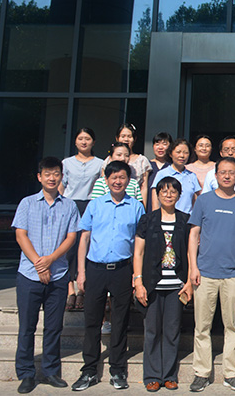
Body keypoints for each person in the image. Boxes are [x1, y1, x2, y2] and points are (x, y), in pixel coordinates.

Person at [72, 160, 145, 391]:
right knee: (92, 321)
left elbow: (140, 244)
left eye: (122, 177)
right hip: (95, 269)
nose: (117, 181)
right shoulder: (95, 205)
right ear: (106, 180)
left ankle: (117, 369)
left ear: (128, 180)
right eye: (113, 177)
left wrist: (137, 275)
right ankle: (89, 370)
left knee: (120, 322)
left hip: (123, 270)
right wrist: (81, 272)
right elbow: (84, 238)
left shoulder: (136, 207)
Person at [187, 157, 235, 392]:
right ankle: (201, 373)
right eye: (223, 172)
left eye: (231, 172)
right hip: (205, 273)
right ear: (215, 175)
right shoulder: (204, 201)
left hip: (234, 274)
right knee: (202, 327)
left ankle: (232, 373)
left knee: (233, 326)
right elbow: (193, 235)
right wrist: (193, 268)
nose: (227, 176)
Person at [12, 157, 80, 394]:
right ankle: (26, 373)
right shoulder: (27, 203)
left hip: (58, 274)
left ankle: (51, 371)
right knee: (27, 327)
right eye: (47, 174)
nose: (52, 178)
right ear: (39, 177)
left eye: (56, 174)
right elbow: (21, 235)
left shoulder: (69, 206)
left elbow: (71, 237)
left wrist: (51, 260)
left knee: (53, 327)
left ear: (62, 177)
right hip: (29, 275)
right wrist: (40, 265)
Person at [133, 177, 193, 392]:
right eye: (164, 191)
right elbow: (138, 252)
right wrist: (138, 282)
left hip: (176, 285)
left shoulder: (185, 220)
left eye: (173, 191)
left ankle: (169, 375)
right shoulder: (147, 219)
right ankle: (151, 375)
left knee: (171, 331)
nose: (168, 195)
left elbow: (190, 253)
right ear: (157, 194)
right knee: (152, 331)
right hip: (152, 285)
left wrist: (189, 282)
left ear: (179, 195)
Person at [60, 128, 104, 311]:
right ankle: (70, 290)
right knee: (70, 248)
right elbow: (62, 187)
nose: (84, 142)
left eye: (87, 139)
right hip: (70, 206)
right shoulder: (66, 163)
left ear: (93, 142)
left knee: (87, 247)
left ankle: (82, 290)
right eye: (80, 138)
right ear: (75, 141)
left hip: (90, 205)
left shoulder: (100, 163)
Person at [105, 123, 152, 204]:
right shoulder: (108, 160)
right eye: (123, 136)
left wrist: (142, 207)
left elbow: (144, 188)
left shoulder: (142, 161)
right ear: (117, 138)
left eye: (129, 136)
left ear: (134, 139)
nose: (126, 139)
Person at [151, 139, 201, 213]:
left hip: (187, 218)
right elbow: (155, 203)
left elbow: (196, 202)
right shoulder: (162, 174)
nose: (182, 156)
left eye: (186, 153)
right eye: (178, 152)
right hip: (166, 217)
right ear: (170, 154)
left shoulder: (192, 176)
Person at [146, 132, 173, 211]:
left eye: (164, 144)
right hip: (149, 210)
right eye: (157, 144)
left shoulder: (172, 167)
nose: (160, 147)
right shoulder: (147, 166)